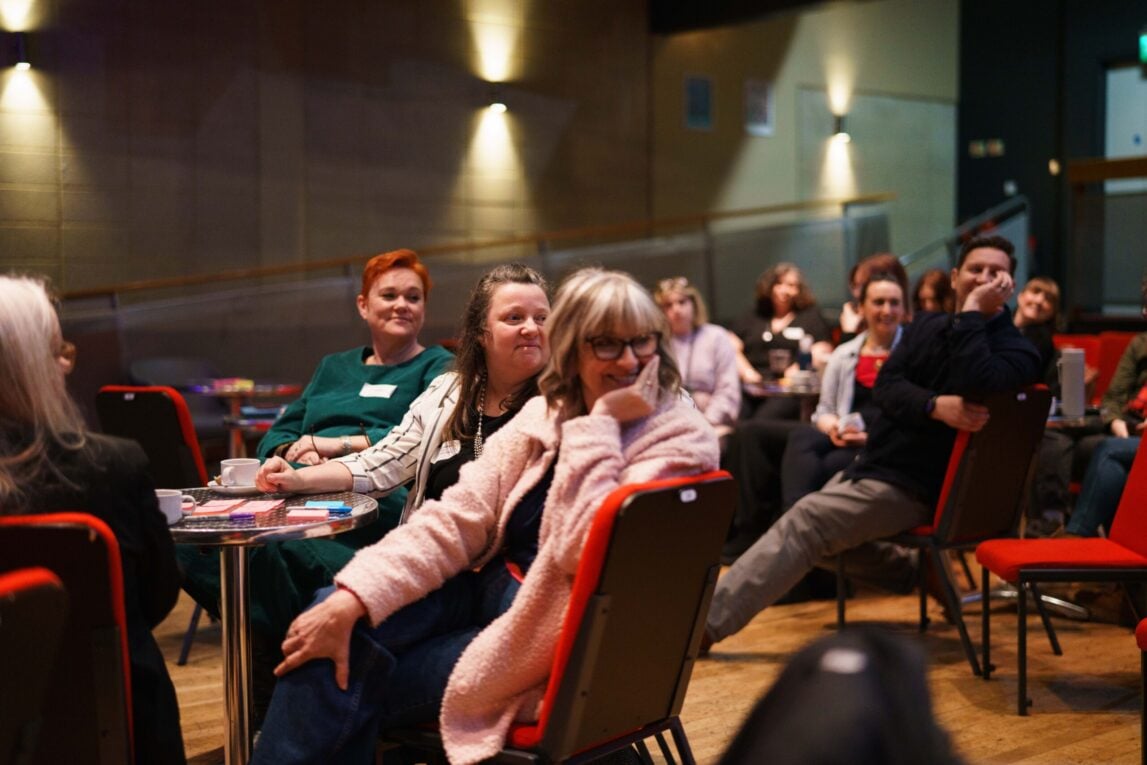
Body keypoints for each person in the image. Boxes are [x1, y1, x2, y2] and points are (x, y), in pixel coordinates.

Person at [250, 267, 719, 765]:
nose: (628, 360)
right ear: (573, 348)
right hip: (492, 594)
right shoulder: (546, 413)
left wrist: (597, 428)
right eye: (605, 344)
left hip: (574, 641)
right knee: (332, 617)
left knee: (339, 675)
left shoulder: (674, 432)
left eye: (642, 342)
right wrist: (352, 597)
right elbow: (454, 518)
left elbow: (585, 553)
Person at [704, 235, 1041, 647]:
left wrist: (972, 313)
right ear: (955, 277)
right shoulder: (927, 327)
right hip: (876, 465)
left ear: (1011, 283)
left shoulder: (1018, 350)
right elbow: (887, 387)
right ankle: (911, 572)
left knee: (805, 522)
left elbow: (977, 379)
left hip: (926, 486)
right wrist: (934, 404)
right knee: (803, 523)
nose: (984, 279)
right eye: (975, 270)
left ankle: (703, 628)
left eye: (996, 272)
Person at [0, 275, 186, 764]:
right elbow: (157, 594)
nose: (65, 362)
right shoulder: (114, 466)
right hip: (108, 717)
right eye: (58, 349)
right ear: (34, 365)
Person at [254, 263, 551, 517]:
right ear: (480, 333)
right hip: (432, 554)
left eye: (541, 318)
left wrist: (336, 444)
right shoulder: (449, 391)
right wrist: (296, 477)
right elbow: (382, 461)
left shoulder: (562, 405)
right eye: (514, 318)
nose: (532, 328)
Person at [256, 248, 453, 471]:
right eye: (389, 295)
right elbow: (276, 435)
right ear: (363, 306)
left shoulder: (440, 365)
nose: (401, 305)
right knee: (246, 473)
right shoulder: (333, 366)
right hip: (302, 470)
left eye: (413, 297)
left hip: (376, 478)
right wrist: (299, 451)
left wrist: (337, 445)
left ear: (423, 308)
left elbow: (428, 433)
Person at [780, 273, 906, 514]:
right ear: (862, 308)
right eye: (879, 302)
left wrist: (867, 437)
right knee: (800, 436)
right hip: (845, 435)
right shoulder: (845, 353)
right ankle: (794, 521)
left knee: (828, 465)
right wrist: (835, 428)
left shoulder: (913, 351)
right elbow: (823, 412)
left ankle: (796, 528)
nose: (887, 310)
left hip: (882, 443)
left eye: (894, 303)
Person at [1063, 279, 1147, 537]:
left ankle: (1075, 540)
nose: (1145, 312)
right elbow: (1112, 398)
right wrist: (1116, 423)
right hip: (1130, 431)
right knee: (1069, 446)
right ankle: (1118, 561)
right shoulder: (1140, 344)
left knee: (1109, 451)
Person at [730, 262, 833, 421]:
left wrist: (797, 369)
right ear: (769, 286)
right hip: (753, 386)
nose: (784, 290)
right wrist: (747, 373)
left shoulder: (810, 315)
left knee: (761, 422)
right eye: (779, 284)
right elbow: (730, 344)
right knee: (737, 418)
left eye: (791, 285)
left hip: (790, 390)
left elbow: (822, 348)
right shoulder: (754, 314)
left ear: (799, 290)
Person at [653, 276, 740, 442]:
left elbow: (728, 391)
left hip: (714, 423)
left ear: (694, 304)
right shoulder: (657, 343)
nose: (676, 310)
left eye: (682, 302)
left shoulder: (716, 336)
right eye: (668, 305)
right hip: (673, 424)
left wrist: (705, 422)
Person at [838, 253, 910, 343]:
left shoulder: (913, 339)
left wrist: (849, 333)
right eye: (855, 285)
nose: (856, 294)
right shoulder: (858, 323)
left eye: (863, 286)